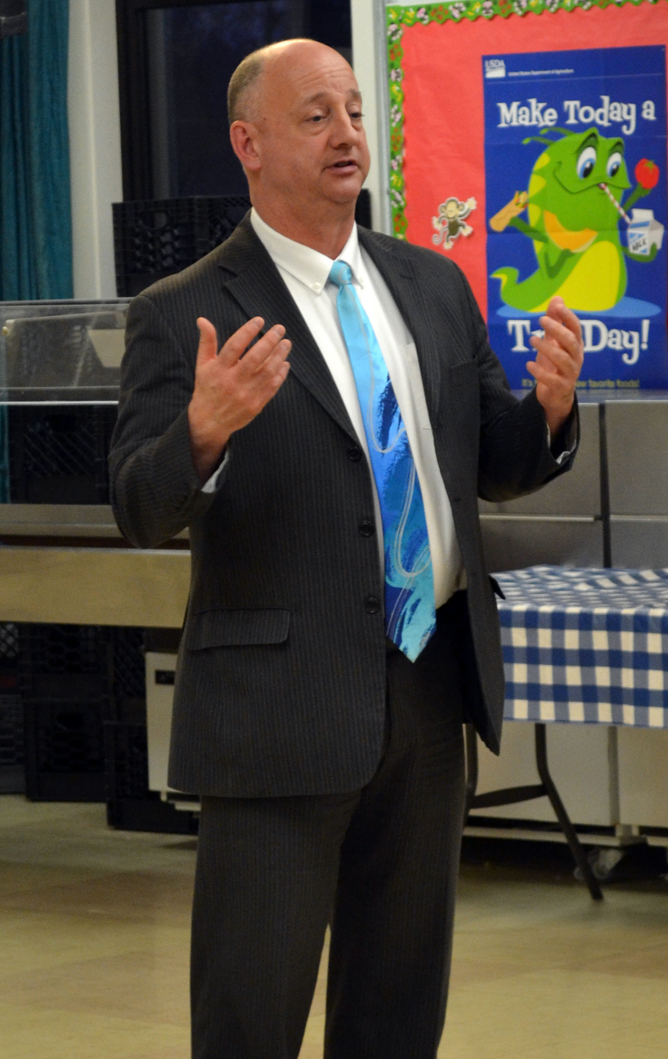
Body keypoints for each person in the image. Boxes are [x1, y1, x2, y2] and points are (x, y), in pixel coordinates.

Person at [109, 38, 583, 1059]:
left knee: (397, 1011)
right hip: (278, 715)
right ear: (249, 143)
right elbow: (138, 508)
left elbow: (489, 460)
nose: (347, 133)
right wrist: (202, 433)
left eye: (356, 112)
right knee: (251, 1015)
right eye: (316, 114)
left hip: (426, 692)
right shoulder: (183, 310)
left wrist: (548, 410)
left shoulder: (430, 284)